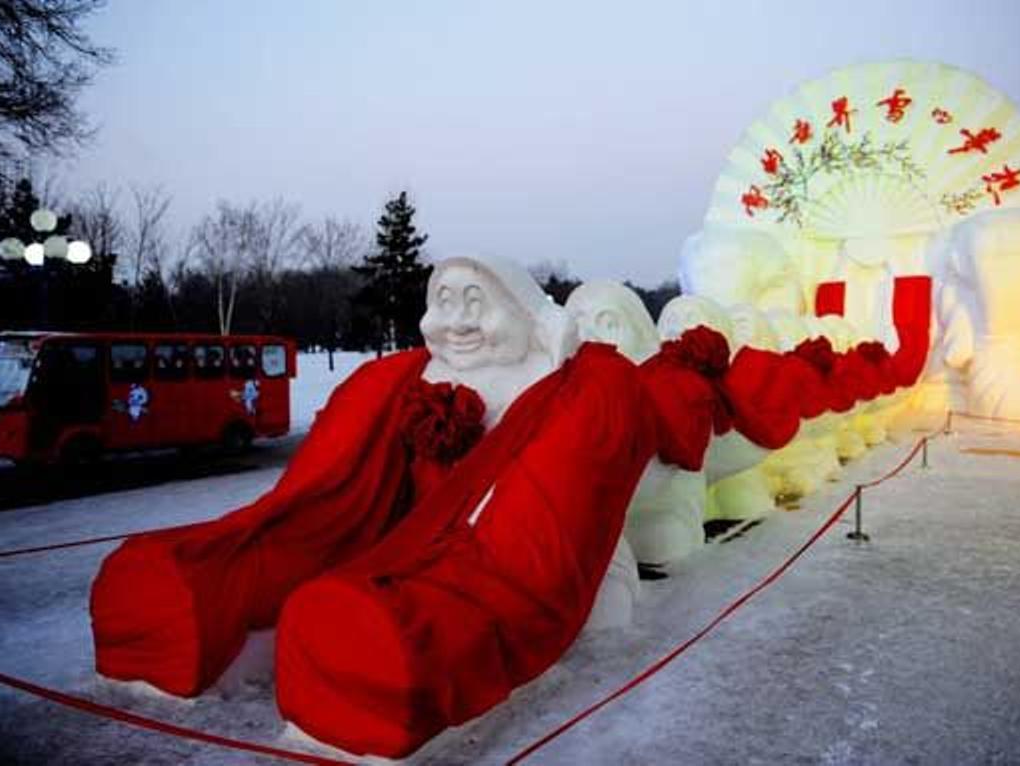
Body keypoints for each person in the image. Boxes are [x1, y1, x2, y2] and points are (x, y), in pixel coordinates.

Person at [91, 255, 738, 758]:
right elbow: (322, 489)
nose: (457, 320)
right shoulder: (404, 379)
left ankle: (380, 641)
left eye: (477, 302)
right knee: (252, 559)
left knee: (387, 622)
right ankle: (207, 605)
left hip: (497, 547)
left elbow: (543, 526)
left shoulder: (581, 387)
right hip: (399, 535)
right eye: (444, 301)